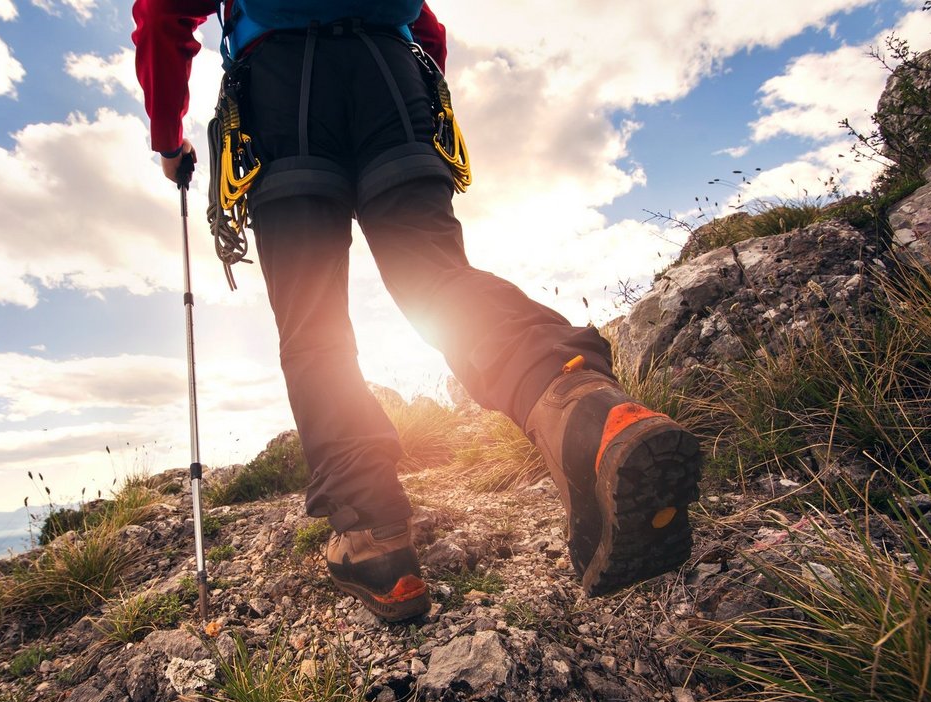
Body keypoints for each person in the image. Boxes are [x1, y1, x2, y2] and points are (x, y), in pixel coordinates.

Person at [132, 0, 702, 622]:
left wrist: (168, 138)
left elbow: (163, 13)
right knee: (435, 276)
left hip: (280, 89)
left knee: (312, 325)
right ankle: (585, 407)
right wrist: (406, 91)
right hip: (391, 74)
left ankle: (375, 540)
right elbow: (426, 28)